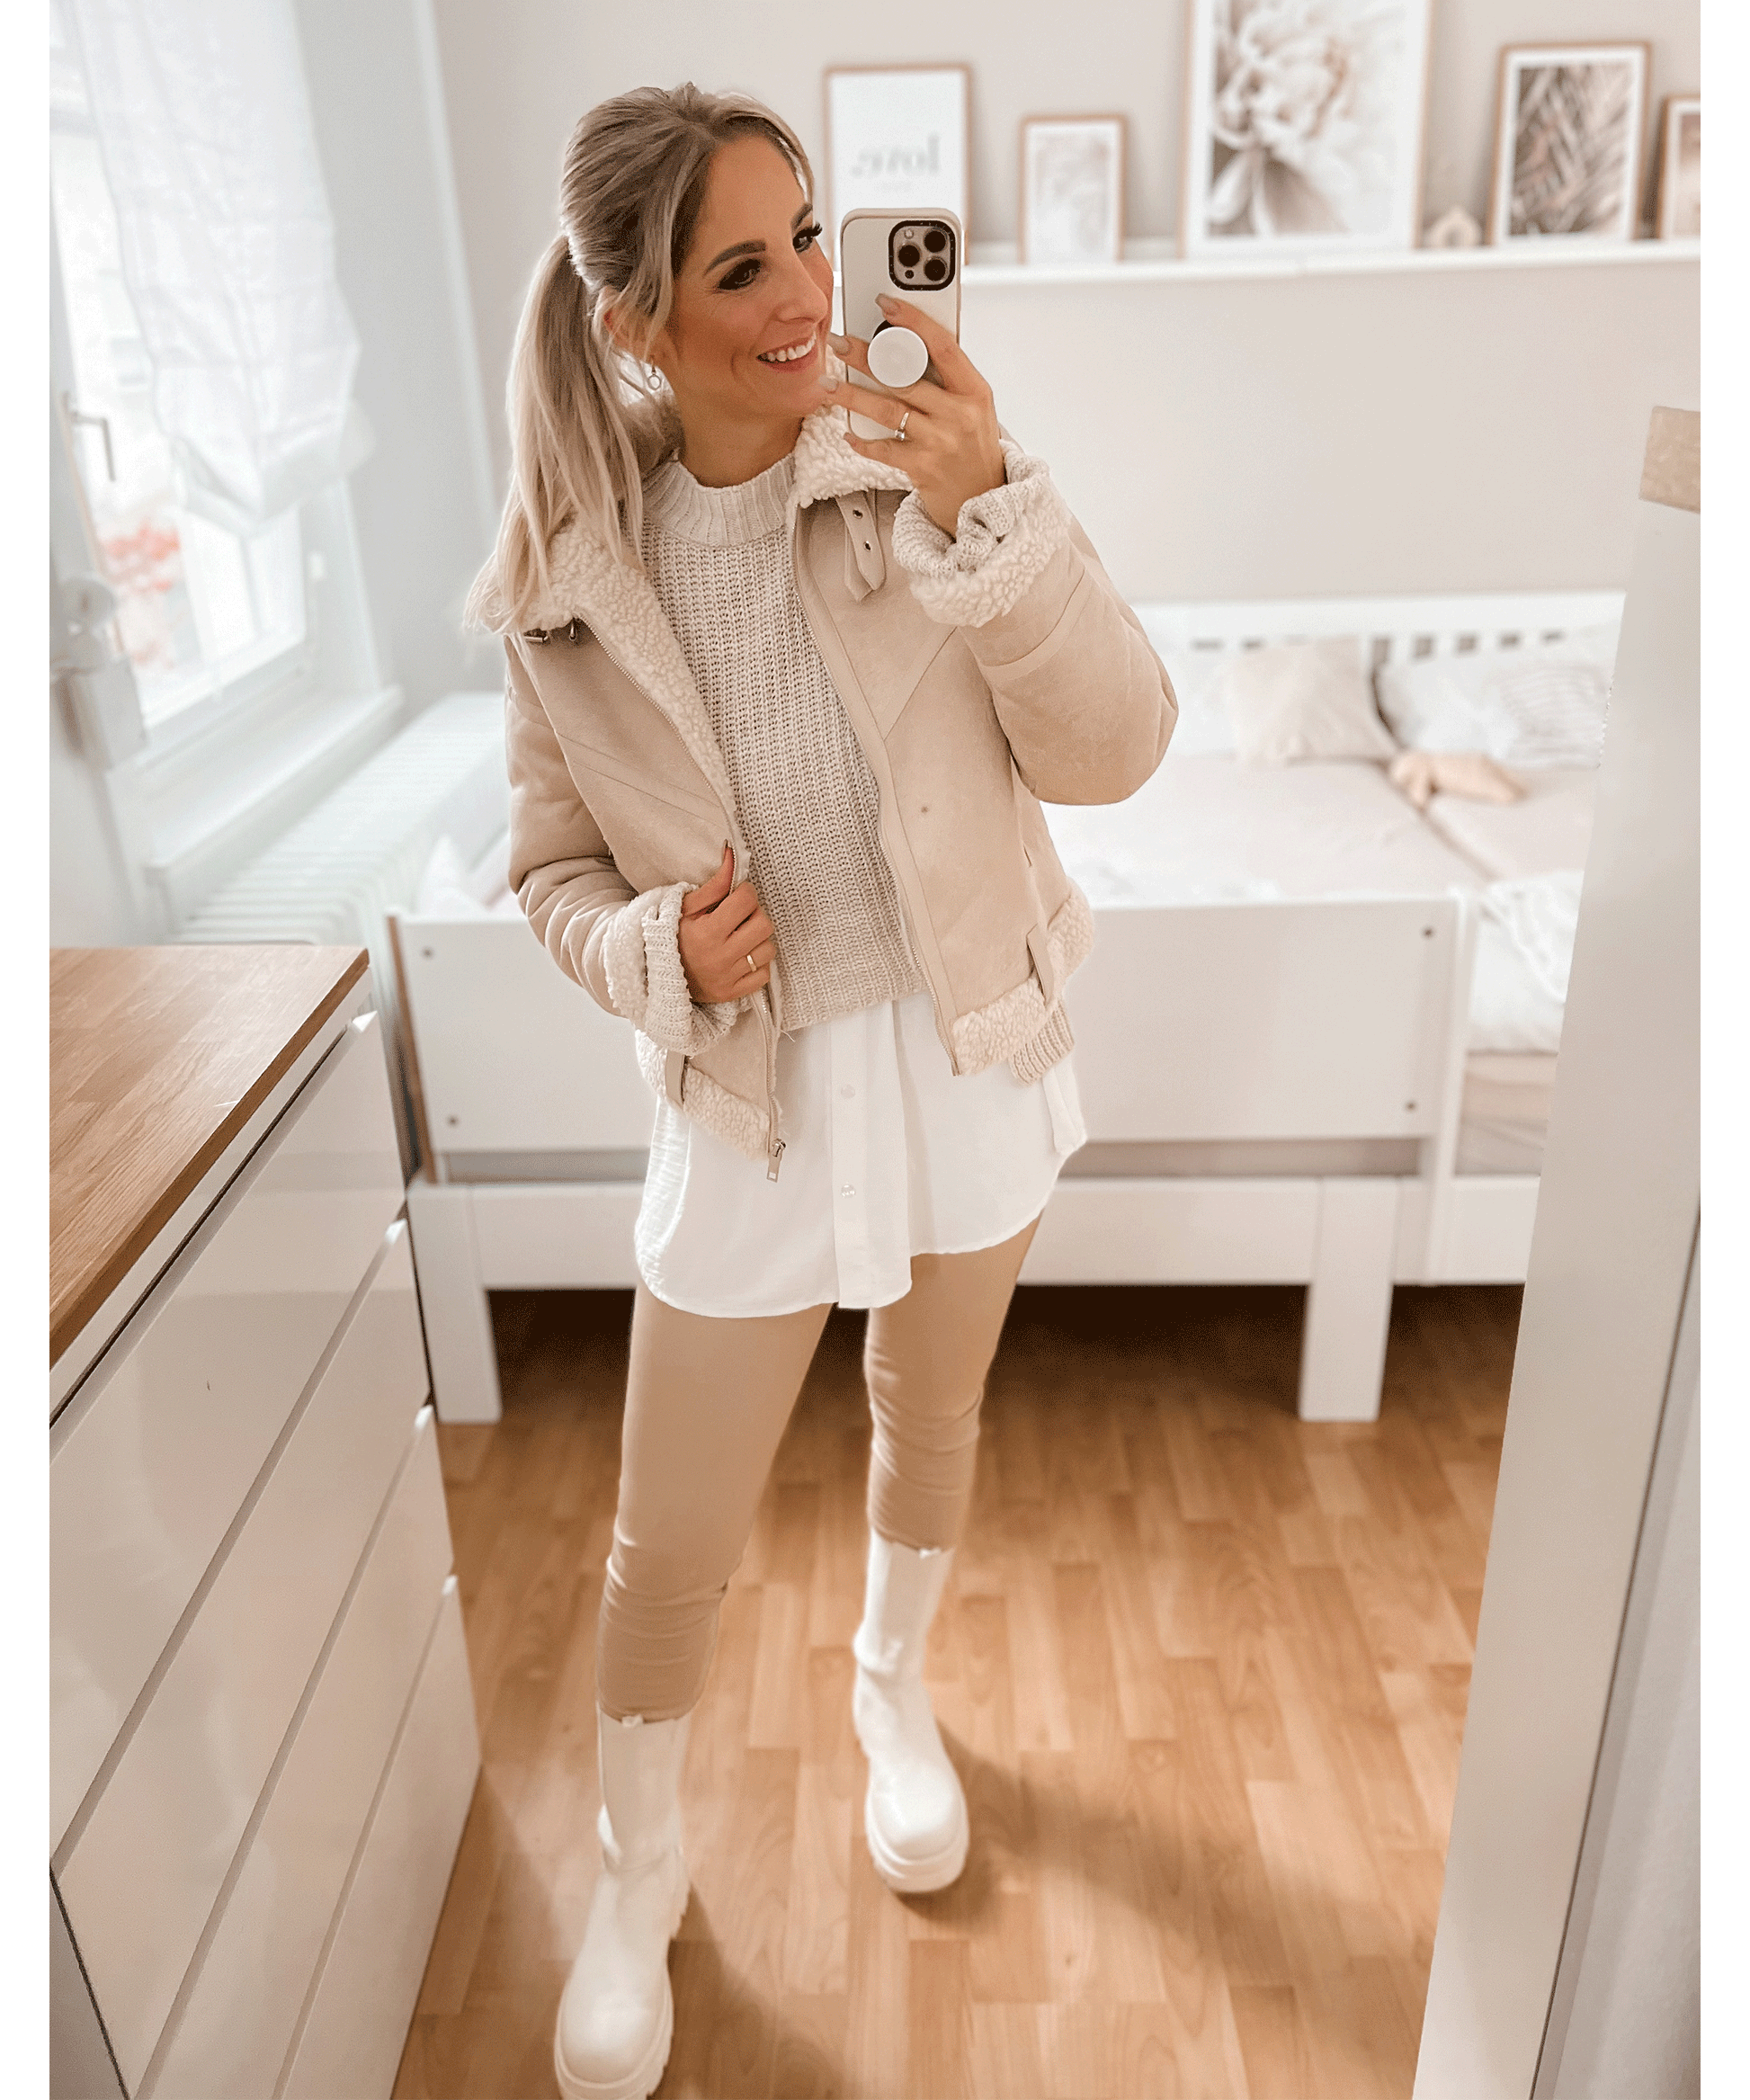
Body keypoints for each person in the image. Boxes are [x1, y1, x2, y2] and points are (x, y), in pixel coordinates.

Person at [470, 81, 1176, 2100]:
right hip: (746, 1098)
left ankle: (888, 1690)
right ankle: (639, 1872)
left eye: (809, 235)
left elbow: (1116, 749)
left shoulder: (916, 475)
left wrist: (993, 504)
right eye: (739, 267)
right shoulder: (563, 587)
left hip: (966, 1058)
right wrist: (651, 954)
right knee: (665, 1534)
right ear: (636, 324)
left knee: (927, 1414)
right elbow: (548, 873)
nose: (802, 296)